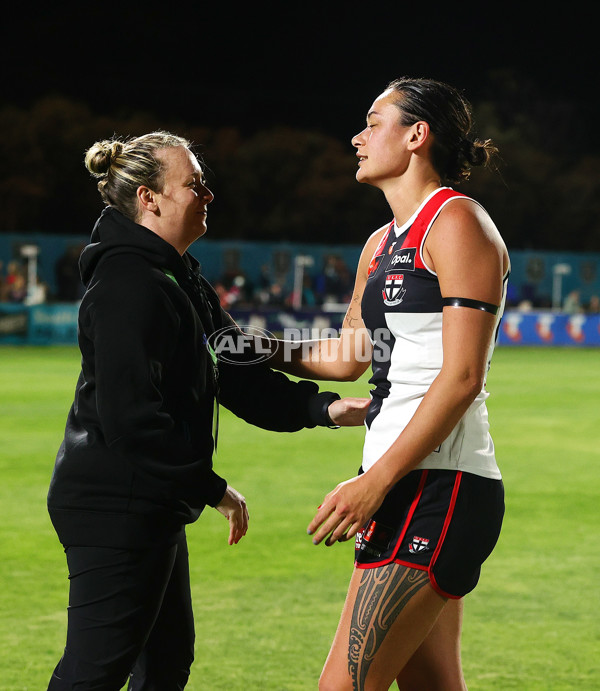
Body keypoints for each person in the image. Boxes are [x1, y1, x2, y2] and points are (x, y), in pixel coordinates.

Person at [46, 131, 368, 690]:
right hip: (114, 503)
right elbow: (131, 422)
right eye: (194, 183)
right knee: (95, 672)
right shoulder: (130, 283)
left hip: (148, 500)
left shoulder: (177, 275)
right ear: (150, 197)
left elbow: (234, 369)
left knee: (167, 660)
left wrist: (323, 408)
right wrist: (209, 486)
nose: (207, 194)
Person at [269, 78, 509, 690]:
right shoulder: (380, 244)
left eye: (374, 122)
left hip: (439, 487)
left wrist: (372, 484)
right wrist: (242, 348)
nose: (358, 136)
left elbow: (461, 378)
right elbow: (347, 357)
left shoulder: (457, 223)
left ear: (416, 135)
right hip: (404, 484)